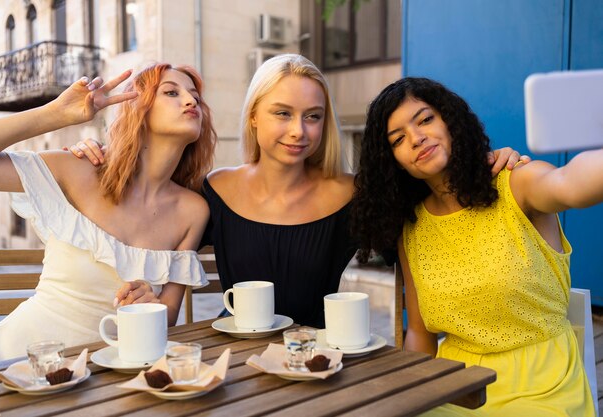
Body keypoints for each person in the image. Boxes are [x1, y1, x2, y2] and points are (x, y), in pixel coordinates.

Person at [70, 54, 524, 328]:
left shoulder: (357, 195)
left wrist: (489, 162)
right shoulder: (212, 192)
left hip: (325, 366)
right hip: (235, 370)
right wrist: (100, 155)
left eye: (313, 115)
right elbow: (149, 211)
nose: (298, 131)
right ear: (253, 117)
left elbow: (435, 205)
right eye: (282, 113)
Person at [352, 77, 597, 415]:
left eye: (425, 120)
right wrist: (404, 398)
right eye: (398, 139)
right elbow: (420, 337)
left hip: (540, 387)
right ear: (392, 160)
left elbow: (571, 184)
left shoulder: (517, 183)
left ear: (450, 120)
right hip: (455, 386)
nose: (416, 138)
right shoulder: (411, 227)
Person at [0, 63, 216, 364]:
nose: (191, 101)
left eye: (195, 96)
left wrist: (148, 303)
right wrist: (56, 114)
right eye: (171, 92)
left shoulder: (193, 211)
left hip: (104, 379)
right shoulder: (79, 169)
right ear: (137, 107)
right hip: (17, 363)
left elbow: (166, 317)